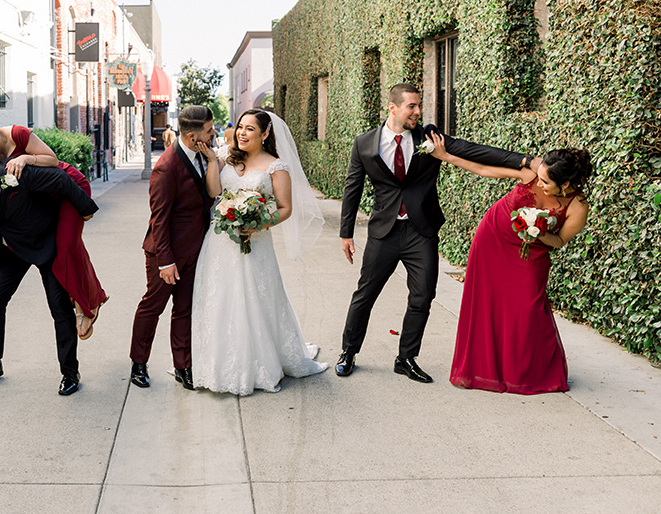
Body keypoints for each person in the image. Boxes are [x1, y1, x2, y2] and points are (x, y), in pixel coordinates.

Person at [335, 83, 536, 383]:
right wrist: (346, 232)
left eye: (419, 106)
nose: (417, 112)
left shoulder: (430, 138)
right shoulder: (364, 144)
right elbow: (353, 189)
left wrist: (525, 161)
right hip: (384, 233)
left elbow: (473, 150)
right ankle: (348, 353)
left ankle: (406, 358)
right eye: (411, 107)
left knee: (423, 295)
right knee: (365, 295)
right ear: (393, 108)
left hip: (421, 232)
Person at [426, 134, 592, 394]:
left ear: (566, 184)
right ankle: (485, 369)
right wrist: (446, 156)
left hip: (531, 253)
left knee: (529, 308)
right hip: (492, 238)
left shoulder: (578, 207)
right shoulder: (534, 172)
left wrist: (538, 232)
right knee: (488, 304)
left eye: (547, 182)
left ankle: (527, 373)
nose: (541, 182)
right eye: (541, 177)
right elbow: (485, 169)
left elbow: (558, 241)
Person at [0, 143, 99, 396]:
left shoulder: (10, 173)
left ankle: (70, 372)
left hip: (46, 244)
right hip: (10, 250)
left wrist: (86, 209)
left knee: (59, 308)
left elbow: (60, 178)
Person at [191, 109, 328, 395]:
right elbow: (216, 192)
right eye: (240, 127)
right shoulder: (227, 157)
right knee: (221, 298)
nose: (241, 133)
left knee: (255, 298)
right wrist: (214, 162)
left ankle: (259, 363)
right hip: (220, 244)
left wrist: (258, 224)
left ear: (265, 134)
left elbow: (285, 208)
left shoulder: (276, 167)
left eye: (249, 129)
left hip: (256, 244)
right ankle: (217, 363)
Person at [0, 104, 106, 340]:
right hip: (44, 201)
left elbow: (53, 161)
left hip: (69, 189)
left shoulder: (17, 134)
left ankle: (87, 304)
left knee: (66, 246)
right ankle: (94, 294)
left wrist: (27, 158)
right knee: (62, 249)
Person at [129, 105, 216, 390]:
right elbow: (159, 219)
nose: (214, 134)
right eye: (210, 131)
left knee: (184, 310)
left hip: (195, 248)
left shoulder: (203, 154)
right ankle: (138, 364)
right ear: (193, 137)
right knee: (152, 307)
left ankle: (183, 366)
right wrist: (166, 262)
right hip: (165, 255)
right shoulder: (165, 168)